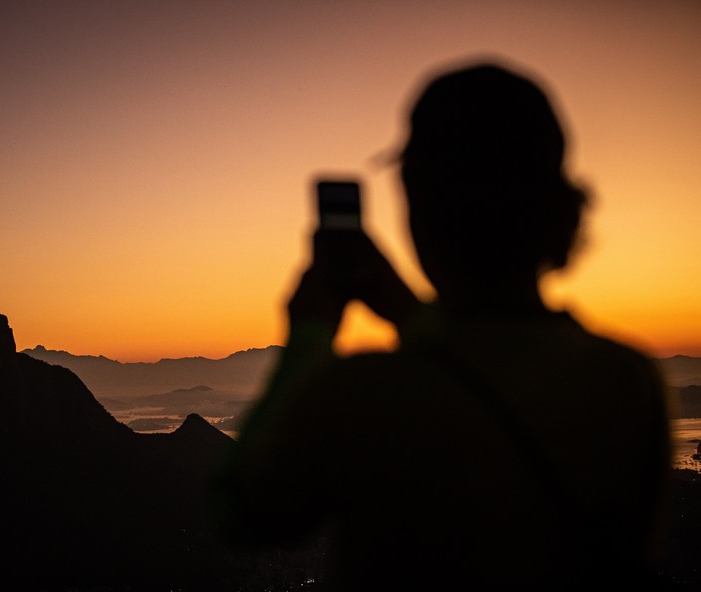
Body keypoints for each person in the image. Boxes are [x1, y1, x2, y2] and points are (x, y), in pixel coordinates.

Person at [215, 61, 673, 589]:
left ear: (418, 208)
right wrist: (407, 312)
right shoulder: (628, 382)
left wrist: (309, 334)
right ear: (555, 208)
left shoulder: (366, 395)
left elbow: (241, 511)